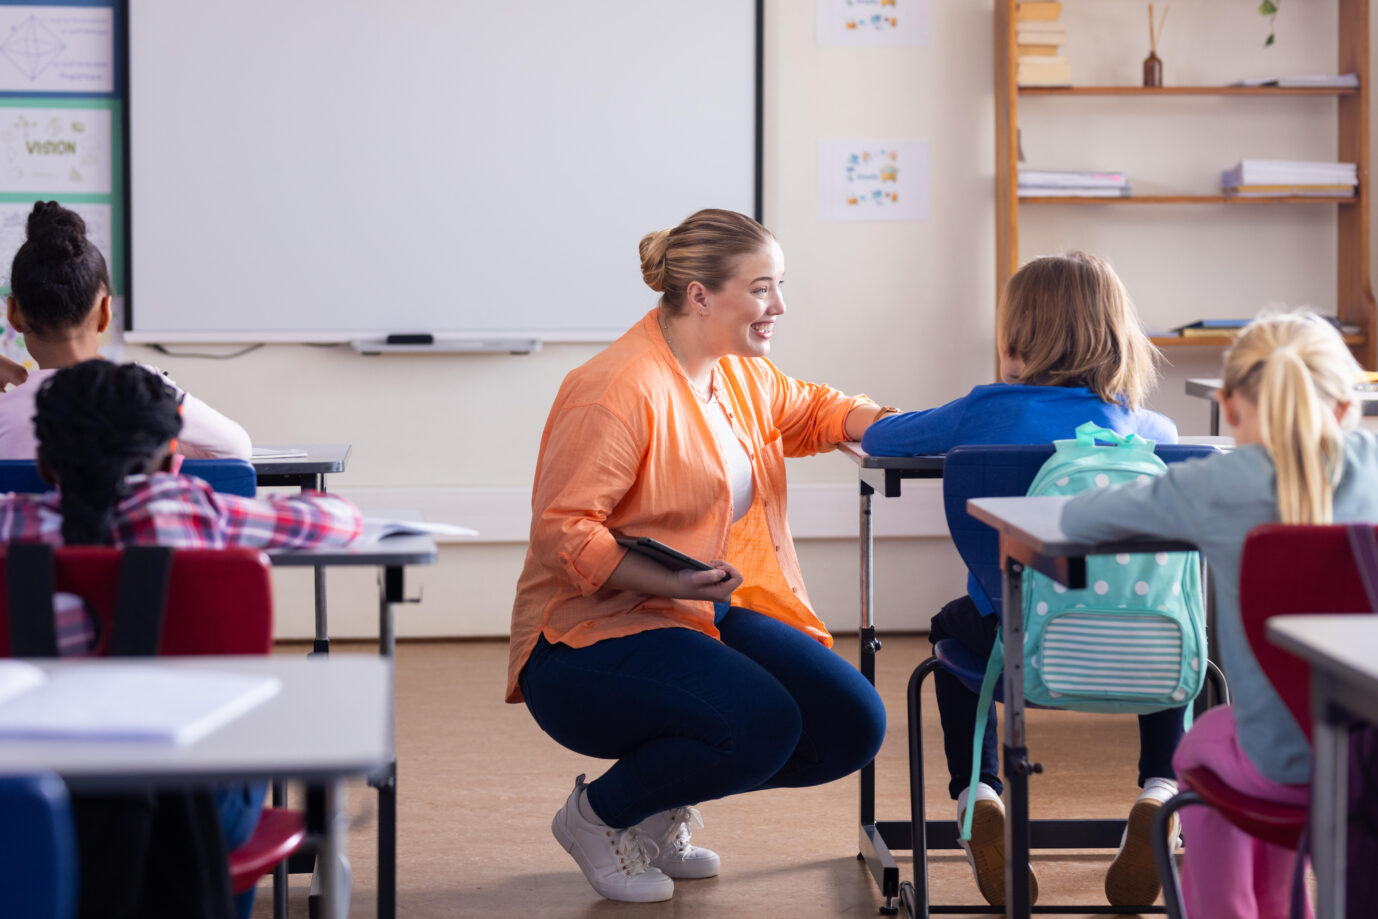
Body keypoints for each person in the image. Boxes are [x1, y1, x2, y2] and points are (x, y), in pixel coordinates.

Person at [506, 208, 892, 903]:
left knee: (850, 724)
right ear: (700, 296)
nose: (779, 306)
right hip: (585, 638)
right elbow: (563, 533)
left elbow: (817, 411)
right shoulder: (616, 388)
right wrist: (675, 580)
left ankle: (656, 804)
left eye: (779, 285)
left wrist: (910, 427)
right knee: (764, 722)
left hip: (693, 610)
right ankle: (598, 816)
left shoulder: (736, 374)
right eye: (762, 288)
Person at [861, 251, 1182, 908]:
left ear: (1017, 336)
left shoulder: (983, 411)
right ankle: (1161, 791)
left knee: (949, 629)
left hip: (1012, 646)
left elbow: (882, 439)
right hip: (1134, 653)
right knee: (1165, 626)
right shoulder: (1150, 430)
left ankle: (978, 793)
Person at [0, 359, 362, 919]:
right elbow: (338, 522)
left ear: (44, 462)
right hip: (199, 812)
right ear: (174, 458)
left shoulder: (8, 525)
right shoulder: (197, 510)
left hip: (24, 804)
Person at [1061, 311, 1375, 919]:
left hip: (1278, 759)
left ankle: (1241, 907)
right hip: (1368, 757)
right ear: (1346, 407)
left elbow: (1079, 518)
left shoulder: (1212, 485)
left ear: (1229, 406)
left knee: (1201, 747)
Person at [0, 201, 251, 459]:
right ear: (105, 313)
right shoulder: (143, 389)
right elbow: (237, 448)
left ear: (13, 314)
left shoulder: (5, 410)